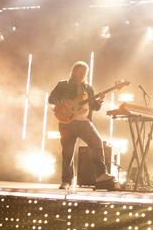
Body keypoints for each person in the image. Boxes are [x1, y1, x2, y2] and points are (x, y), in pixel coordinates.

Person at [49, 61, 115, 189]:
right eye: (80, 72)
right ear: (73, 72)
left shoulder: (88, 89)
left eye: (84, 73)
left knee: (97, 143)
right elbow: (51, 99)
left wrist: (100, 100)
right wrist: (63, 101)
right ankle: (66, 181)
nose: (82, 75)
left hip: (84, 122)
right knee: (67, 152)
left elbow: (94, 107)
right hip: (67, 122)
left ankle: (101, 174)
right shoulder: (63, 85)